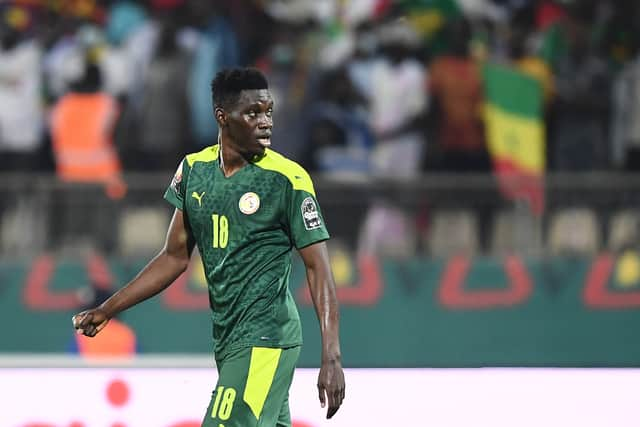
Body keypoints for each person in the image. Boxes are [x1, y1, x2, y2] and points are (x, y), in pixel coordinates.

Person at [72, 67, 345, 426]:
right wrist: (108, 309)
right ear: (222, 117)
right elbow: (173, 257)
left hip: (266, 337)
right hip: (229, 338)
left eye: (268, 111)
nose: (265, 122)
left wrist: (332, 357)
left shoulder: (287, 179)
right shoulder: (194, 170)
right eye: (252, 113)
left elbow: (317, 267)